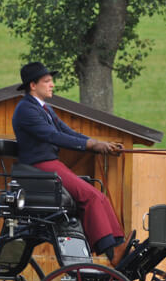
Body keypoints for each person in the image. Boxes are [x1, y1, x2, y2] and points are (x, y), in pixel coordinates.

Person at [11, 62, 129, 267]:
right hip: (40, 167)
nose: (52, 85)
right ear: (33, 85)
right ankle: (112, 253)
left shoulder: (45, 109)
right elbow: (53, 136)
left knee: (99, 195)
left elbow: (68, 132)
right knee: (90, 196)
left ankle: (119, 244)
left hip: (51, 164)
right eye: (47, 81)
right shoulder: (25, 110)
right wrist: (92, 144)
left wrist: (98, 145)